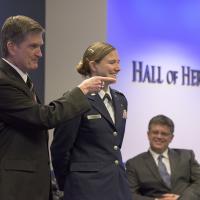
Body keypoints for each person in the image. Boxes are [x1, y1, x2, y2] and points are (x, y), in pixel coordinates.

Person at [0, 15, 115, 200]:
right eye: (33, 46)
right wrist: (82, 89)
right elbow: (44, 118)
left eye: (40, 46)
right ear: (11, 46)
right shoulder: (3, 81)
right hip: (14, 189)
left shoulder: (22, 80)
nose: (39, 53)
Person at [50, 41, 132, 200]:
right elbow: (60, 148)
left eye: (118, 62)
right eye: (112, 62)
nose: (118, 68)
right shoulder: (75, 99)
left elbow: (114, 145)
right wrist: (68, 183)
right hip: (86, 188)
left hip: (117, 186)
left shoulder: (121, 100)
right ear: (94, 66)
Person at [126, 114, 200, 200]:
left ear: (171, 138)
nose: (159, 136)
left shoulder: (187, 156)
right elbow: (129, 194)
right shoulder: (133, 164)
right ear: (148, 134)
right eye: (155, 132)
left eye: (164, 134)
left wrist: (182, 199)